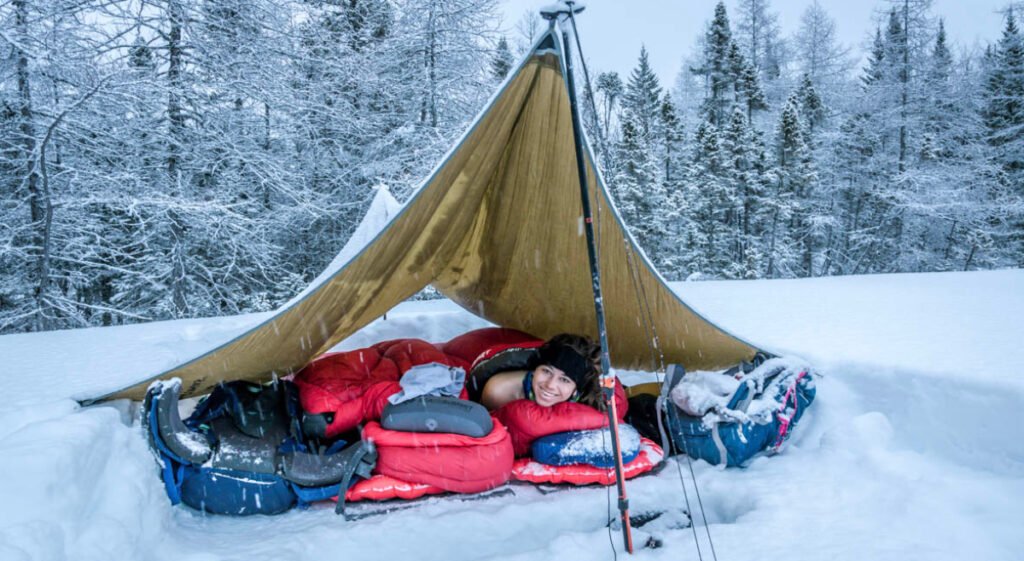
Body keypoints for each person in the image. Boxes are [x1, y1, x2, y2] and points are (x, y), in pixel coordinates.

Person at [474, 333, 604, 410]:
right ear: (535, 369)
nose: (550, 385)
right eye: (546, 371)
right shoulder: (498, 392)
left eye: (564, 380)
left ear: (577, 389)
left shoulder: (590, 399)